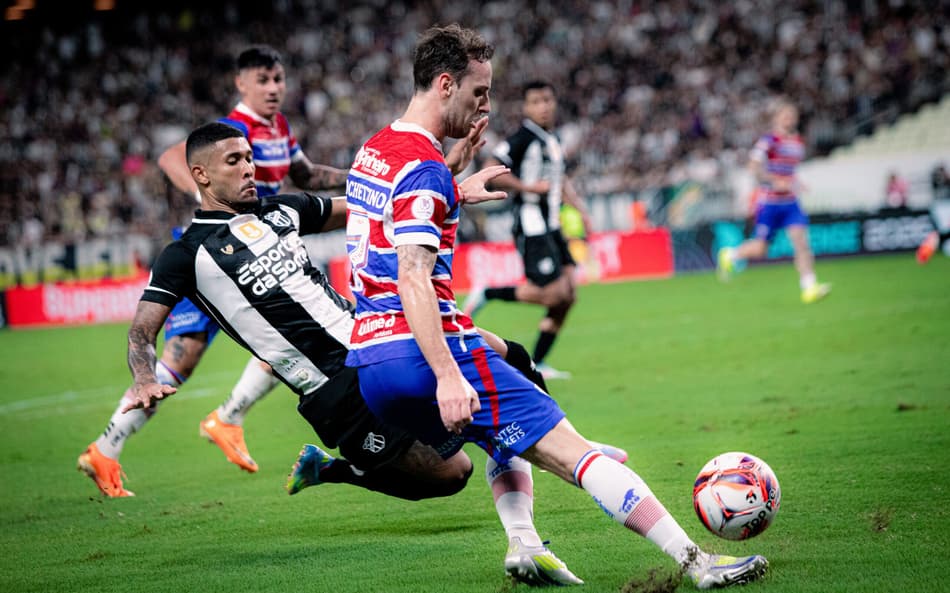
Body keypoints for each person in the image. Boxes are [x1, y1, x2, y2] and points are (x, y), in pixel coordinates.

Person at [345, 24, 768, 589]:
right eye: (479, 92)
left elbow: (394, 220)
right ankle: (699, 563)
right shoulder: (424, 168)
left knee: (506, 420)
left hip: (373, 367)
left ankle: (524, 544)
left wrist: (454, 183)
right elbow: (413, 275)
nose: (486, 106)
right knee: (575, 453)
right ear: (445, 85)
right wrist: (446, 374)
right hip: (428, 352)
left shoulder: (375, 151)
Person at [118, 121, 603, 586]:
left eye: (249, 157)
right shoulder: (185, 255)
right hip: (332, 394)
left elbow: (373, 206)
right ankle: (335, 470)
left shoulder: (280, 211)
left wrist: (450, 184)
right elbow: (141, 331)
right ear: (201, 174)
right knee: (451, 475)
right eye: (233, 161)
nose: (249, 168)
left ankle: (569, 454)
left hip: (376, 344)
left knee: (499, 353)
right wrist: (143, 377)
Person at [78, 45, 351, 494]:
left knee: (281, 339)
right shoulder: (232, 129)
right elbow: (171, 158)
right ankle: (120, 444)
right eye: (262, 80)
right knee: (186, 357)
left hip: (260, 250)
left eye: (278, 79)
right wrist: (213, 208)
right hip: (219, 256)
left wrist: (360, 175)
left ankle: (206, 423)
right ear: (241, 84)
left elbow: (307, 177)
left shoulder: (279, 127)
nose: (273, 88)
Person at [462, 81, 591, 380]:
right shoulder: (523, 137)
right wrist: (527, 187)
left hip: (553, 225)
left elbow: (559, 180)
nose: (543, 106)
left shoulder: (552, 139)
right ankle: (488, 292)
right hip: (532, 224)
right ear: (526, 107)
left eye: (547, 100)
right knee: (553, 293)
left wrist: (580, 209)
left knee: (568, 295)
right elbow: (493, 168)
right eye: (536, 101)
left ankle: (540, 361)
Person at [716, 99, 831, 304]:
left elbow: (789, 171)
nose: (789, 119)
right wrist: (773, 181)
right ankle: (730, 255)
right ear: (776, 118)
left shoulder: (797, 142)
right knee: (761, 249)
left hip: (791, 203)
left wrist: (796, 183)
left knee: (801, 243)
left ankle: (809, 287)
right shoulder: (769, 140)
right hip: (769, 203)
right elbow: (753, 167)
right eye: (785, 115)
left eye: (792, 115)